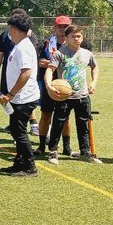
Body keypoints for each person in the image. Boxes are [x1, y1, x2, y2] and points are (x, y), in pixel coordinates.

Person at [44, 25, 101, 165]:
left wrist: (93, 83)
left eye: (79, 36)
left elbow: (95, 67)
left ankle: (85, 152)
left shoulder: (87, 53)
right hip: (64, 97)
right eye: (73, 36)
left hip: (82, 96)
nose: (77, 39)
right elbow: (50, 70)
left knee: (83, 124)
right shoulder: (59, 54)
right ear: (67, 38)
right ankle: (53, 151)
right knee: (58, 123)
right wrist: (49, 86)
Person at [34, 15, 90, 156]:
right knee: (46, 115)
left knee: (65, 118)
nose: (62, 29)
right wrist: (53, 63)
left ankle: (66, 147)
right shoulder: (46, 44)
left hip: (68, 87)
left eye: (65, 26)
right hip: (49, 84)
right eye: (59, 26)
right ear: (54, 27)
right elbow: (41, 62)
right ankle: (41, 146)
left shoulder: (78, 44)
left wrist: (52, 62)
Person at [0, 11, 40, 177]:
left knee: (19, 132)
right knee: (16, 130)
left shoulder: (23, 47)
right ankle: (19, 163)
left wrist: (11, 94)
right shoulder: (21, 45)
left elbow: (26, 73)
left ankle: (30, 166)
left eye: (10, 29)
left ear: (14, 29)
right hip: (20, 97)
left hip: (23, 97)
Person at [0, 9, 39, 135]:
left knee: (22, 100)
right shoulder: (5, 35)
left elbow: (27, 68)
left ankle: (33, 123)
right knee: (9, 98)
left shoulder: (27, 39)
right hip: (9, 72)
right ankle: (14, 123)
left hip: (23, 75)